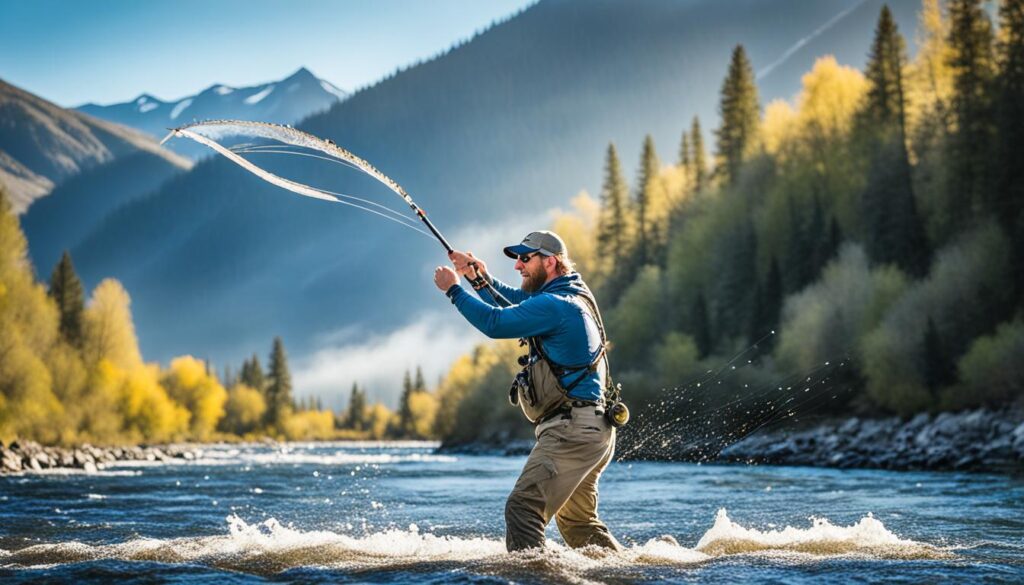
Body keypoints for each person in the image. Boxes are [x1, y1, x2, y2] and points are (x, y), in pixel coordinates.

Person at [432, 230, 621, 552]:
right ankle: (630, 574)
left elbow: (496, 322)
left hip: (572, 429)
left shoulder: (556, 305)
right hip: (593, 428)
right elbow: (514, 302)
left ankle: (534, 577)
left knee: (523, 509)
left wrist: (454, 290)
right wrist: (478, 277)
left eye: (524, 258)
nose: (518, 266)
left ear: (550, 262)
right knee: (579, 524)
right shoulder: (573, 292)